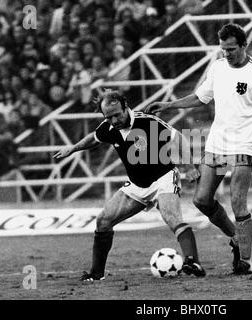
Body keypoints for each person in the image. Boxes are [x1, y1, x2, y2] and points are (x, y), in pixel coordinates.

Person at [145, 23, 252, 276]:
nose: (227, 53)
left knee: (238, 202)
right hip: (217, 143)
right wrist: (167, 104)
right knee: (201, 200)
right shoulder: (217, 67)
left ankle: (245, 262)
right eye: (223, 49)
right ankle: (236, 237)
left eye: (231, 49)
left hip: (243, 145)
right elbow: (200, 97)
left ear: (244, 45)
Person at [53, 89, 206, 281]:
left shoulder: (147, 122)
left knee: (171, 216)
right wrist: (73, 149)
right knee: (103, 221)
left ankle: (192, 262)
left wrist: (190, 166)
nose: (114, 121)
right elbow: (94, 137)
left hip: (163, 178)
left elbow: (178, 138)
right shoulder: (108, 127)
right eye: (109, 118)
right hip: (136, 184)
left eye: (117, 115)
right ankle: (96, 274)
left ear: (126, 107)